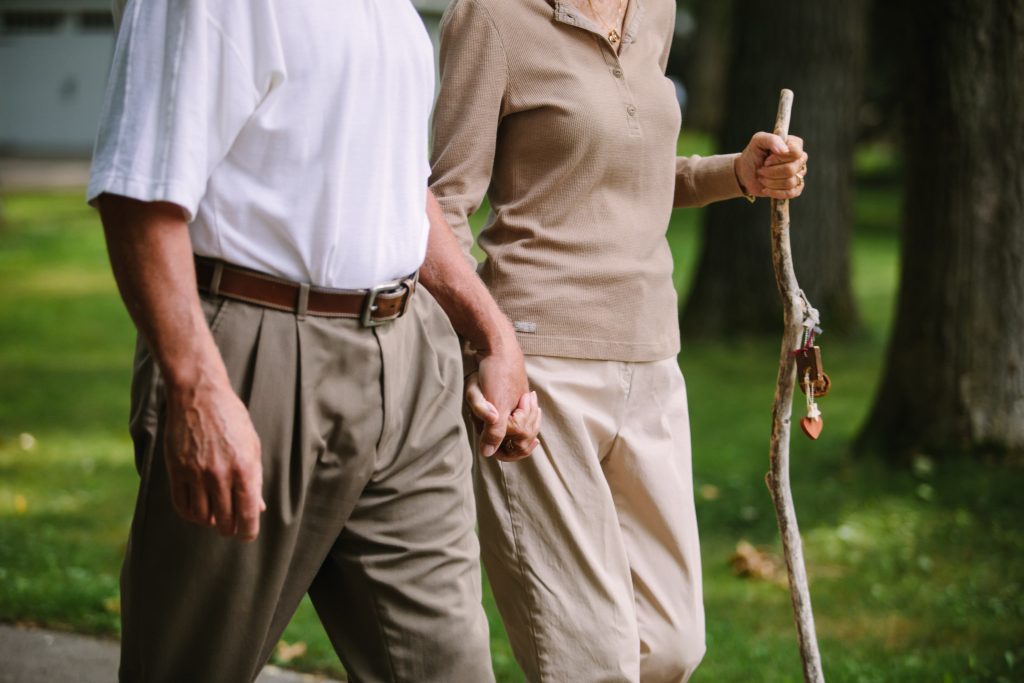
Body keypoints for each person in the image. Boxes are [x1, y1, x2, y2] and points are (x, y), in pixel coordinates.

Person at [88, 1, 540, 681]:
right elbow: (139, 195)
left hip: (408, 360)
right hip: (255, 354)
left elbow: (402, 192)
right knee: (191, 663)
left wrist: (491, 331)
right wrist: (198, 390)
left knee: (447, 665)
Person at [429, 0, 808, 681]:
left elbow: (637, 170)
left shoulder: (653, 11)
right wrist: (488, 342)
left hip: (654, 365)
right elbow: (443, 203)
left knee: (672, 645)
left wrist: (739, 173)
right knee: (590, 662)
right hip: (539, 372)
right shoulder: (489, 17)